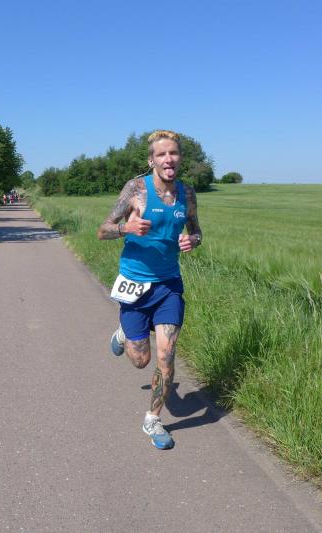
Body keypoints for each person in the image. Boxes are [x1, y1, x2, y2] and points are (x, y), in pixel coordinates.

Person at [97, 130, 202, 450]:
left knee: (167, 355)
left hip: (168, 285)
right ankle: (124, 333)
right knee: (141, 360)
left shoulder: (187, 193)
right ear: (152, 160)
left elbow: (197, 231)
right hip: (136, 284)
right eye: (161, 154)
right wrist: (125, 228)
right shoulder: (136, 189)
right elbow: (102, 230)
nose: (168, 159)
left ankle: (152, 420)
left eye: (173, 153)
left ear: (180, 158)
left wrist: (193, 240)